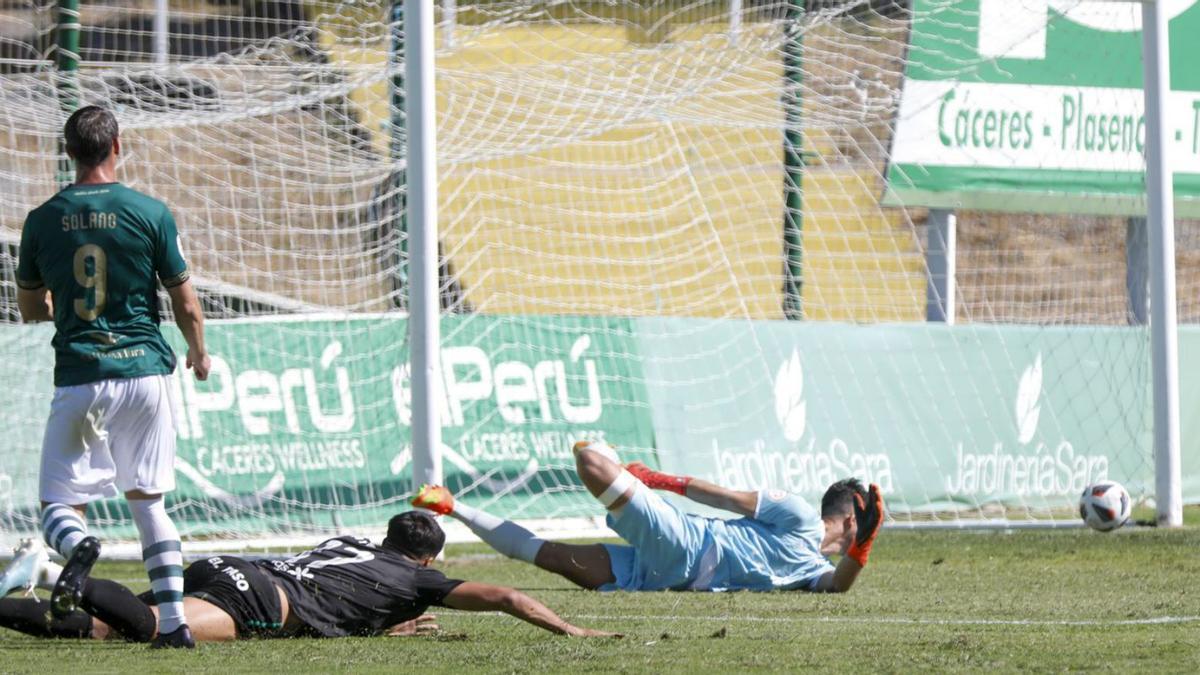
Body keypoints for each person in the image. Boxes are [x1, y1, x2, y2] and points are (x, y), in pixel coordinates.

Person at [15, 105, 210, 647]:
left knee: (59, 506)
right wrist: (198, 353)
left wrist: (60, 306)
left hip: (82, 373)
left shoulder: (40, 219)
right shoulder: (149, 211)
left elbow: (29, 308)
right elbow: (186, 303)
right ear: (117, 145)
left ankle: (77, 545)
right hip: (147, 373)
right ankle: (175, 627)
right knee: (149, 504)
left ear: (67, 151)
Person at [0, 511, 617, 642]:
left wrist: (378, 630)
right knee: (160, 633)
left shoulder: (347, 541)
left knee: (96, 632)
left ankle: (23, 590)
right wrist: (571, 630)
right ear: (427, 560)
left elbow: (346, 594)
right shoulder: (417, 578)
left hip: (233, 570)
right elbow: (507, 594)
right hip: (261, 597)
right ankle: (56, 569)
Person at [413, 440, 883, 593]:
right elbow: (725, 499)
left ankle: (453, 507)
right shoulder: (800, 516)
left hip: (655, 576)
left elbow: (836, 588)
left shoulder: (817, 572)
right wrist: (658, 481)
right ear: (850, 516)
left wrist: (861, 550)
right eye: (867, 525)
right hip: (684, 543)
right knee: (592, 460)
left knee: (547, 557)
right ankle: (607, 453)